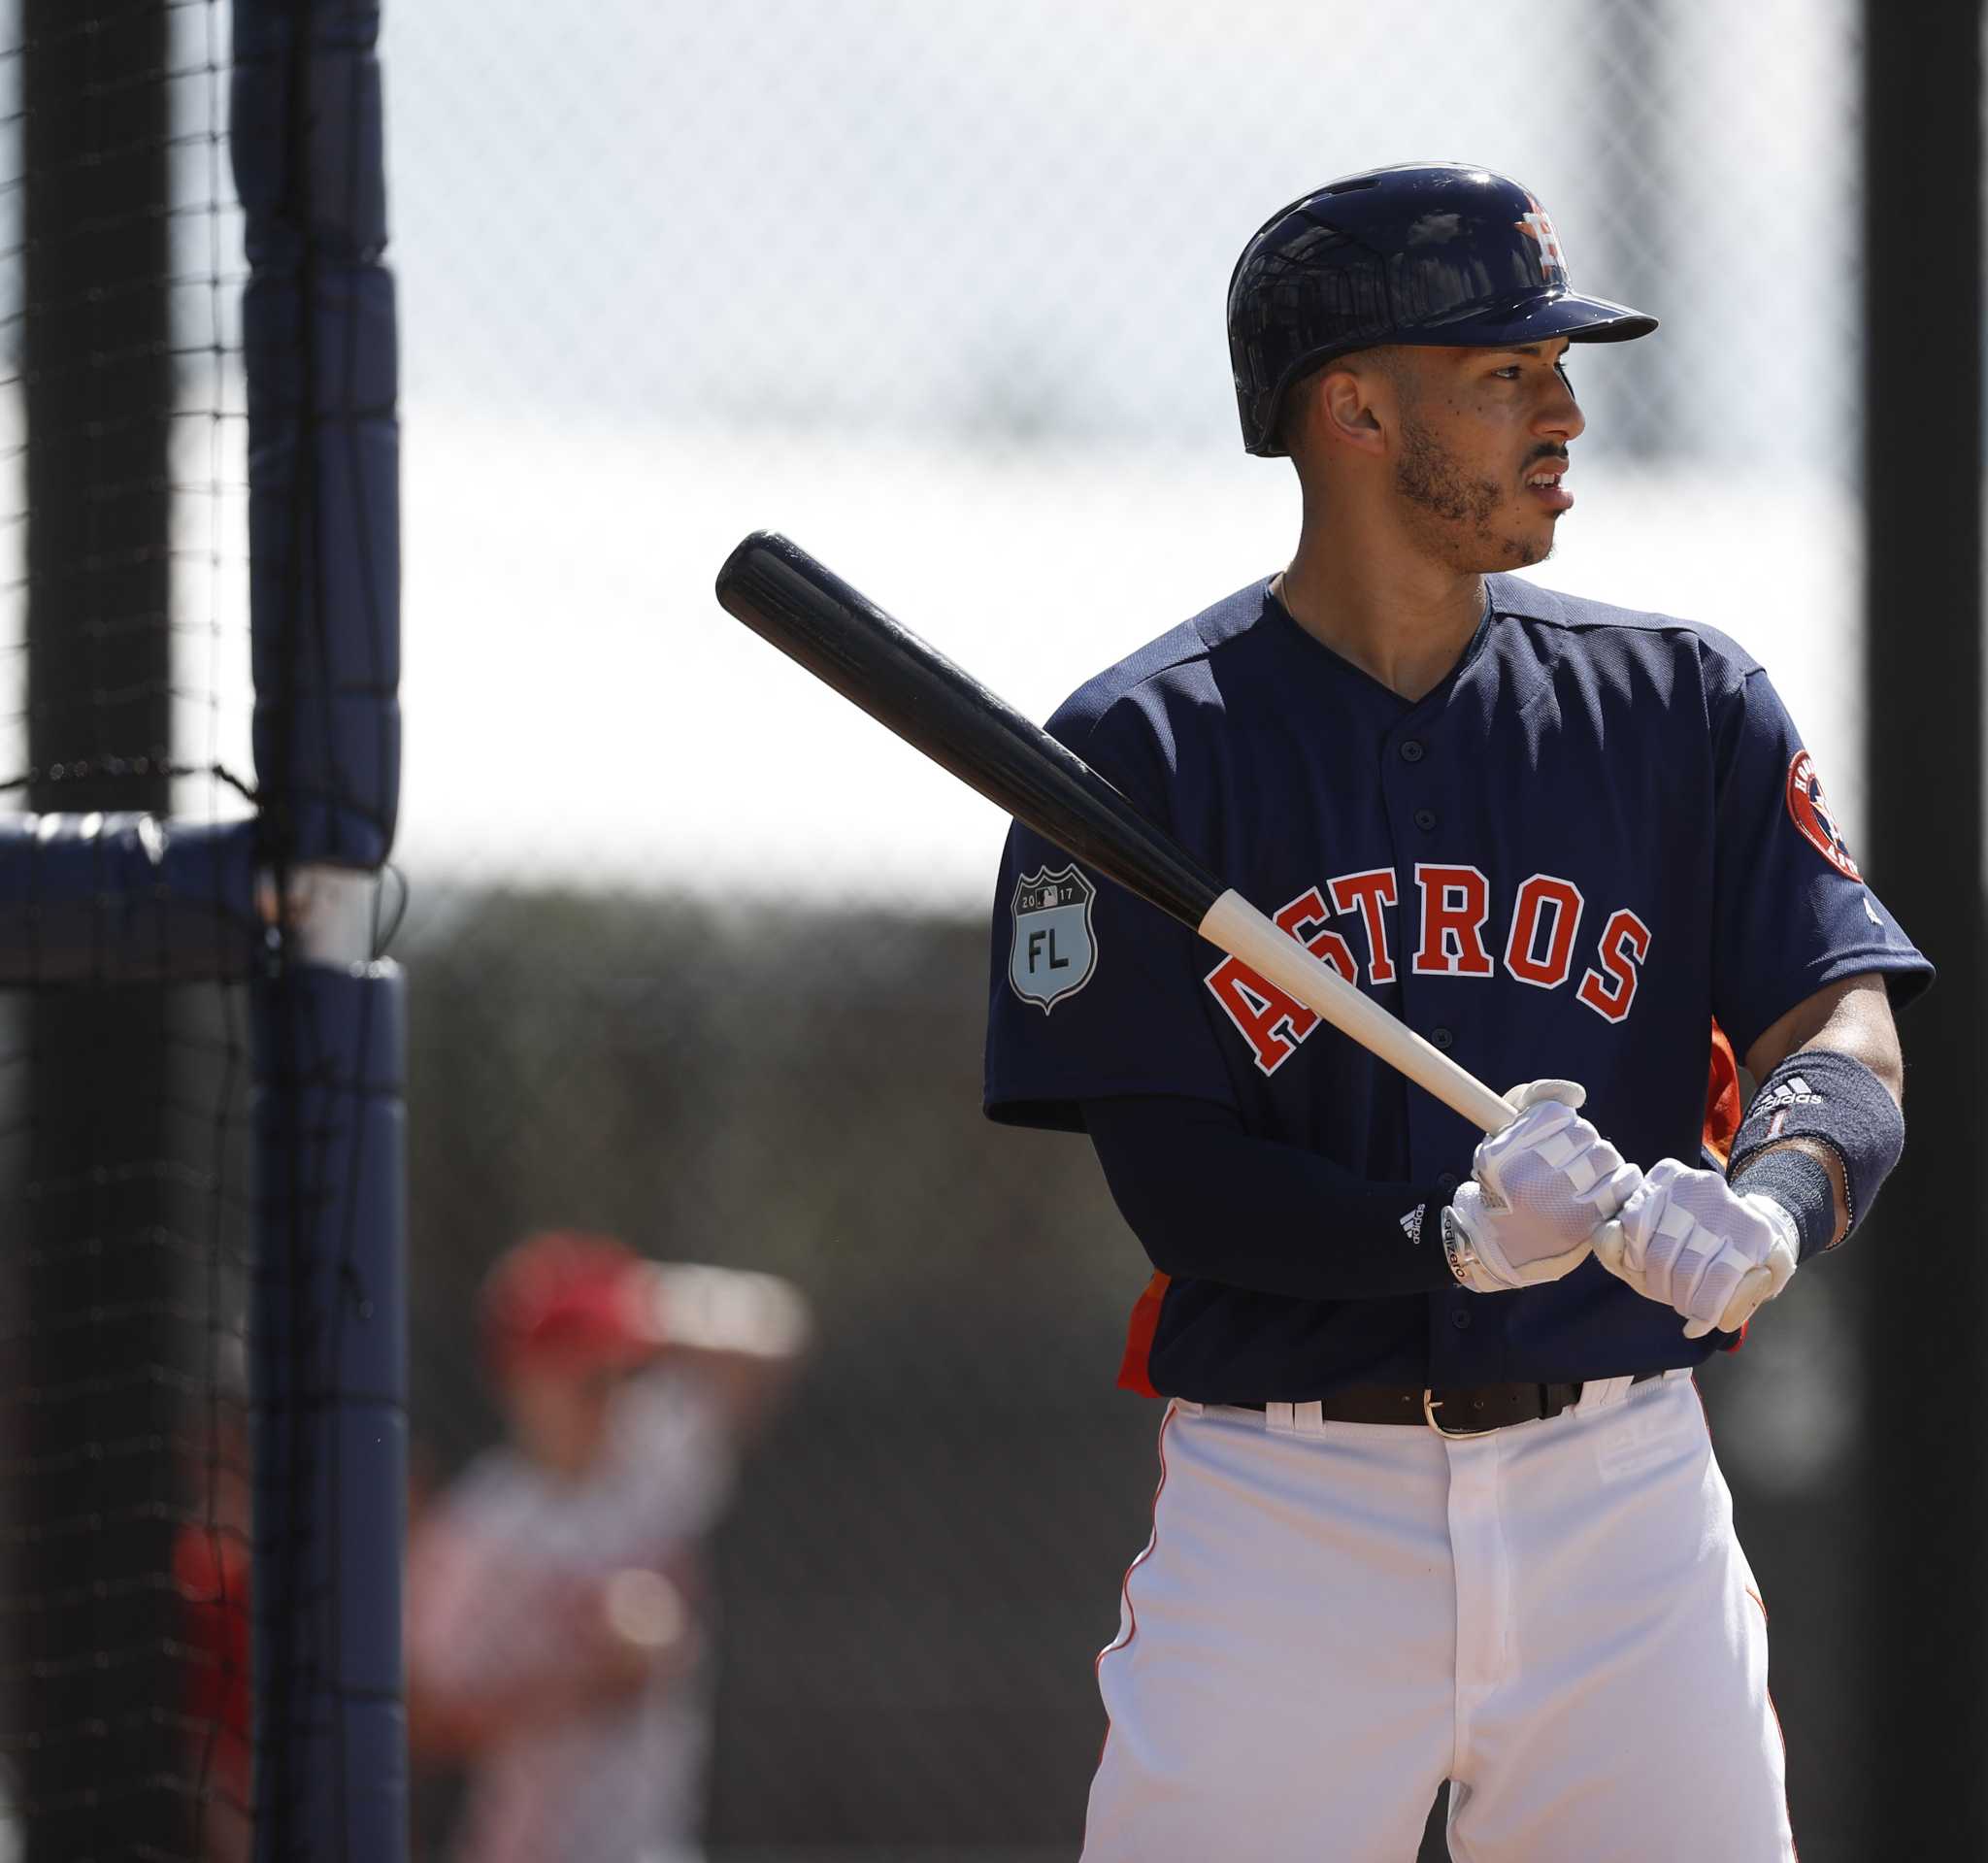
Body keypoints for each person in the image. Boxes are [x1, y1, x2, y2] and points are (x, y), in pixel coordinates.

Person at [982, 161, 1930, 1862]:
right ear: (1346, 406)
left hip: (1619, 1496)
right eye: (1502, 373)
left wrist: (1770, 1206)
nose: (1559, 409)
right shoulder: (1136, 754)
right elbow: (1173, 1182)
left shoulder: (1677, 701)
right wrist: (1450, 1234)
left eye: (1554, 368)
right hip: (1289, 1511)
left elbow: (1843, 1033)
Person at [405, 1232, 810, 1863]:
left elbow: (775, 1327)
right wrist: (582, 1686)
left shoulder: (657, 1461)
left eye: (619, 1366)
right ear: (521, 1378)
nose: (607, 1393)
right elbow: (420, 1718)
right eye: (581, 1372)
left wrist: (633, 1293)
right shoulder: (481, 1525)